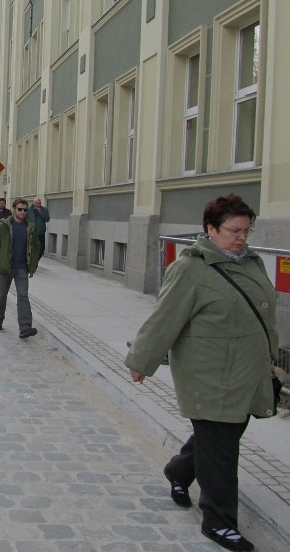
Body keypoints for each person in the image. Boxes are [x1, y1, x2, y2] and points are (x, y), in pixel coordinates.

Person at [124, 194, 279, 552]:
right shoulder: (191, 268)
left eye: (246, 230)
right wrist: (141, 361)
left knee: (220, 438)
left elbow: (265, 315)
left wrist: (270, 360)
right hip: (208, 375)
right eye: (233, 230)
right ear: (211, 229)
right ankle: (219, 522)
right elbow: (165, 318)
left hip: (246, 372)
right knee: (221, 448)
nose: (242, 237)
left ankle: (179, 471)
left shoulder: (251, 263)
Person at [0, 198, 40, 337]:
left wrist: (33, 262)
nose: (22, 212)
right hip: (6, 267)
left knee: (23, 296)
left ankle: (25, 327)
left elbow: (36, 246)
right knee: (1, 296)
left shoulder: (30, 227)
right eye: (19, 209)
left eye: (24, 209)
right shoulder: (4, 226)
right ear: (14, 209)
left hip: (22, 268)